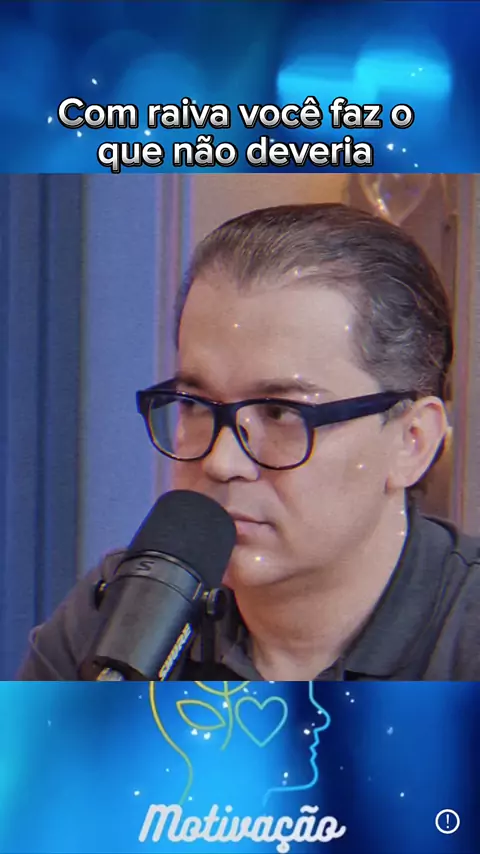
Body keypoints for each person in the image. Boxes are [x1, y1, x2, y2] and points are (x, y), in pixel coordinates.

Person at [17, 203, 480, 682]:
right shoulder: (119, 617)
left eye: (280, 413)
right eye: (196, 405)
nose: (221, 462)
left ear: (412, 442)